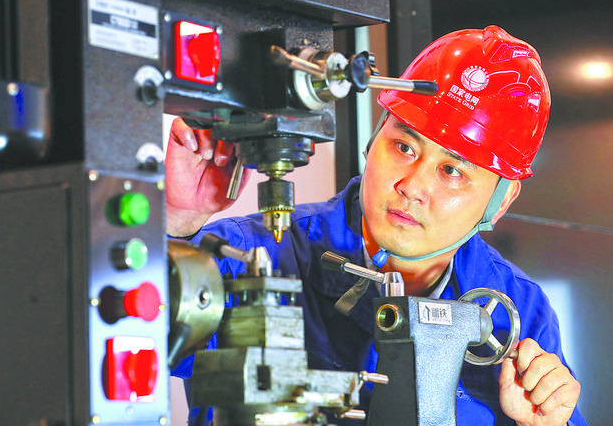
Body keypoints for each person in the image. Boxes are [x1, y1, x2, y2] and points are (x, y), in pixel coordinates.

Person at [166, 25, 585, 425]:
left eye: (452, 172)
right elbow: (137, 335)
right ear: (375, 137)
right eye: (403, 147)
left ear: (501, 200)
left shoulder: (520, 309)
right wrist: (177, 218)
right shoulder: (248, 256)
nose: (412, 186)